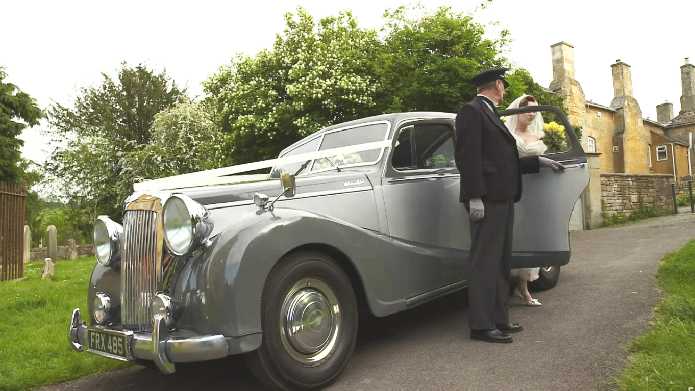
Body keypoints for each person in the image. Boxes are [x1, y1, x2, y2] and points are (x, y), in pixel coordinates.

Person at [454, 68, 565, 343]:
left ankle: (499, 319)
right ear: (497, 85)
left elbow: (503, 160)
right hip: (487, 199)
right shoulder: (471, 111)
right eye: (503, 85)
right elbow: (468, 157)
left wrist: (536, 162)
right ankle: (481, 326)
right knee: (484, 263)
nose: (505, 90)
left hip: (502, 198)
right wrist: (474, 196)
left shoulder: (490, 112)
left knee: (501, 262)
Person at [504, 94, 547, 307]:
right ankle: (508, 286)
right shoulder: (507, 134)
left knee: (530, 236)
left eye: (535, 110)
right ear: (517, 110)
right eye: (528, 109)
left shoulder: (536, 134)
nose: (532, 114)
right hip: (513, 189)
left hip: (534, 190)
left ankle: (524, 289)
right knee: (515, 237)